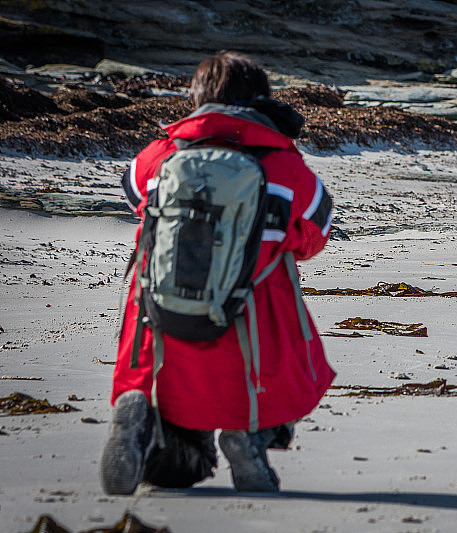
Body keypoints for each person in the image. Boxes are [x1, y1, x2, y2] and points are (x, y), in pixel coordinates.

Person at [100, 51, 335, 494]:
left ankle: (139, 414)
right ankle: (252, 435)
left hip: (161, 334)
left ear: (197, 98)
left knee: (177, 469)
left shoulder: (159, 155)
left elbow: (133, 196)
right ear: (262, 99)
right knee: (301, 367)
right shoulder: (284, 167)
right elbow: (314, 237)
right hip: (250, 340)